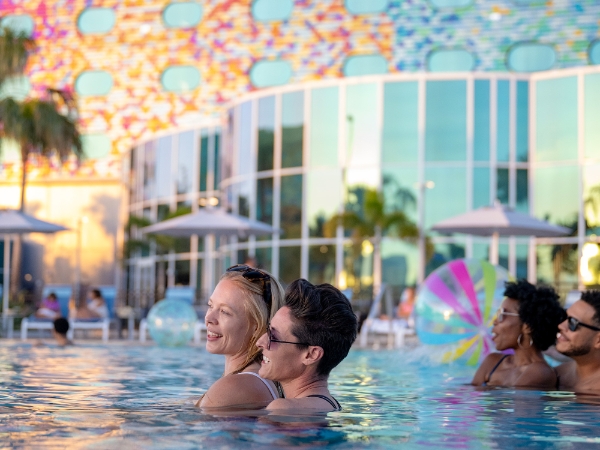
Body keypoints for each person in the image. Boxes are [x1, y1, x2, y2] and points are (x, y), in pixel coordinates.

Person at [256, 279, 358, 412]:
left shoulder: (283, 409)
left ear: (311, 355)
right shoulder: (330, 405)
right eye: (268, 329)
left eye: (273, 337)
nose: (260, 342)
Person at [197, 264, 285, 409]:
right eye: (210, 305)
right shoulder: (256, 381)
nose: (209, 318)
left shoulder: (234, 387)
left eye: (225, 312)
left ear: (256, 326)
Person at [471, 280, 565, 389]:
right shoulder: (492, 362)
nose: (495, 321)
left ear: (527, 326)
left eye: (502, 314)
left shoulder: (540, 372)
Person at [555, 290, 600, 392]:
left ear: (598, 340)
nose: (561, 326)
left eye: (573, 322)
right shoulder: (557, 375)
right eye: (564, 317)